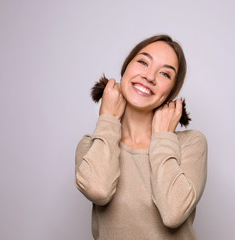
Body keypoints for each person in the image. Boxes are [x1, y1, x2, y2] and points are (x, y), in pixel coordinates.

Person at [75, 34, 207, 240]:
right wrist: (108, 119)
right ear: (125, 69)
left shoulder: (190, 143)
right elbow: (98, 190)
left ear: (172, 91)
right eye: (143, 62)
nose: (150, 76)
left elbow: (173, 214)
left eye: (165, 74)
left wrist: (163, 137)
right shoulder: (92, 145)